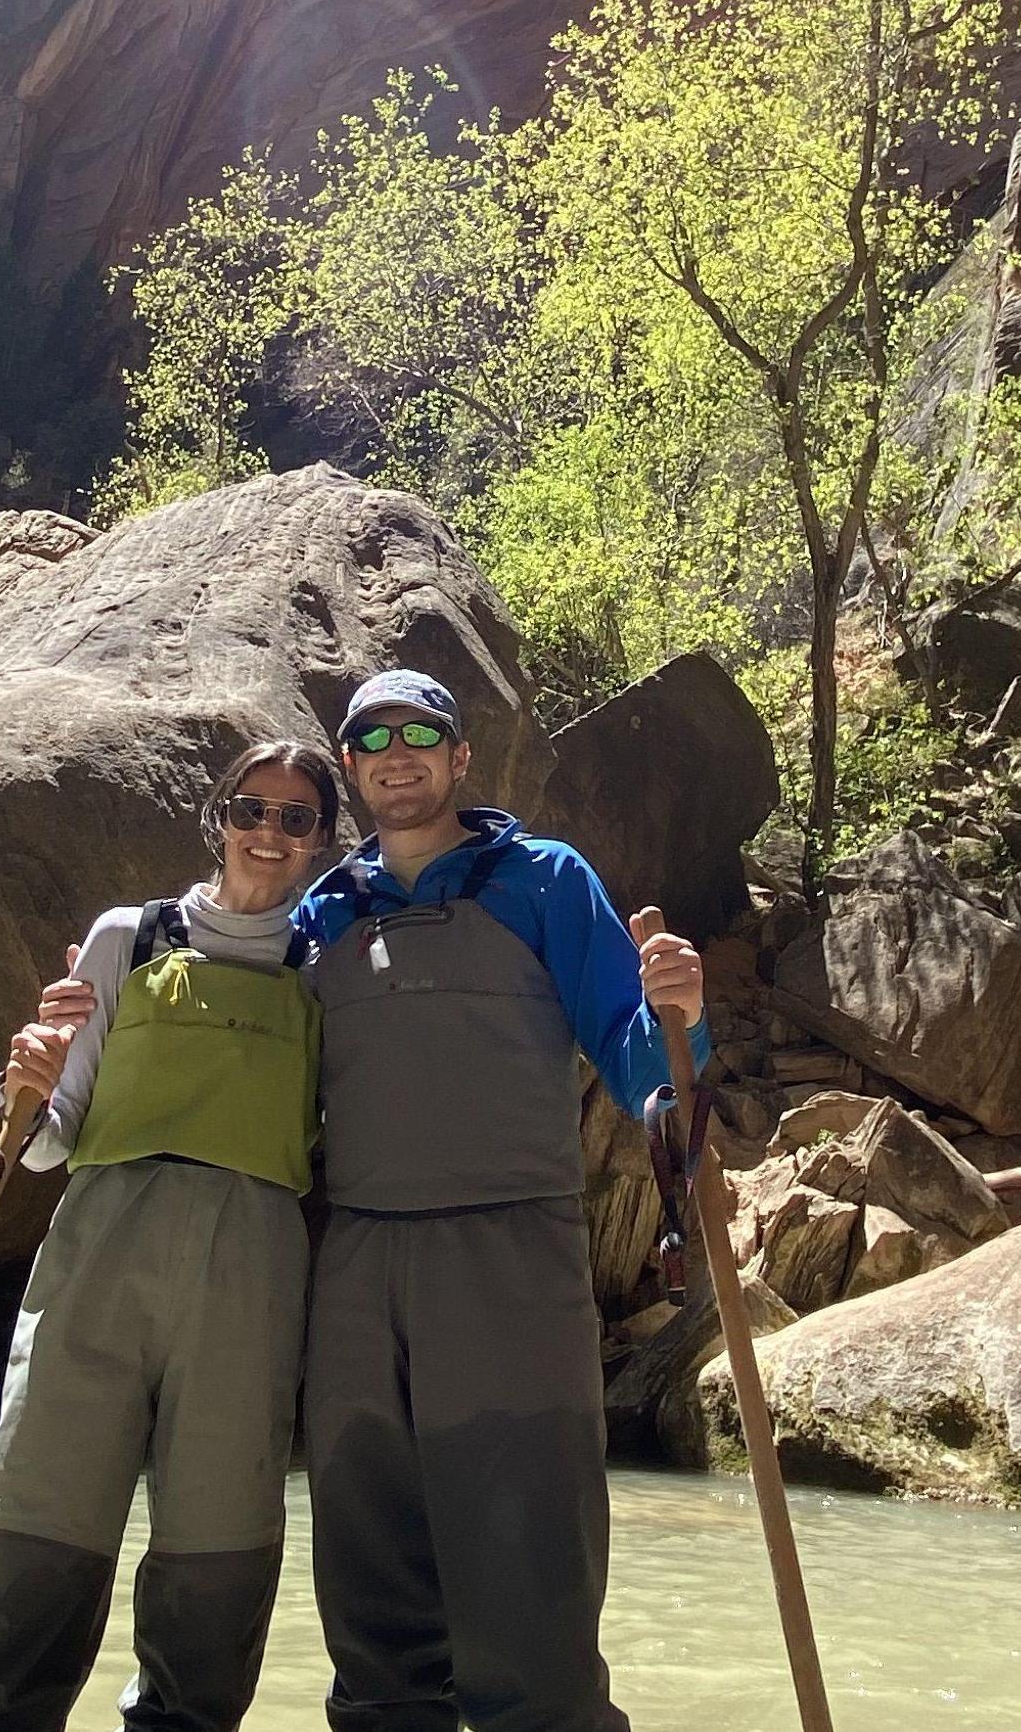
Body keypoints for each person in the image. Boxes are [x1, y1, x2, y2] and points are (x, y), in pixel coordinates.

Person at [293, 667, 706, 1732]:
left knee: (527, 1557)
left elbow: (624, 1033)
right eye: (371, 738)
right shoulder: (321, 910)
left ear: (459, 756)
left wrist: (675, 1045)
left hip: (511, 1248)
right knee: (367, 1556)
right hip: (356, 1262)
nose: (397, 752)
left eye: (419, 733)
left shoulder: (544, 878)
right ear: (350, 767)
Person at [0, 738, 344, 1732]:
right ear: (219, 816)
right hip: (98, 1260)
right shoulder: (130, 936)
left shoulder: (328, 967)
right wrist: (20, 1084)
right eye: (252, 809)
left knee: (218, 1544)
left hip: (248, 1274)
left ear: (323, 841)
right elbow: (43, 1141)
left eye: (295, 819)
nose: (268, 833)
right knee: (38, 1518)